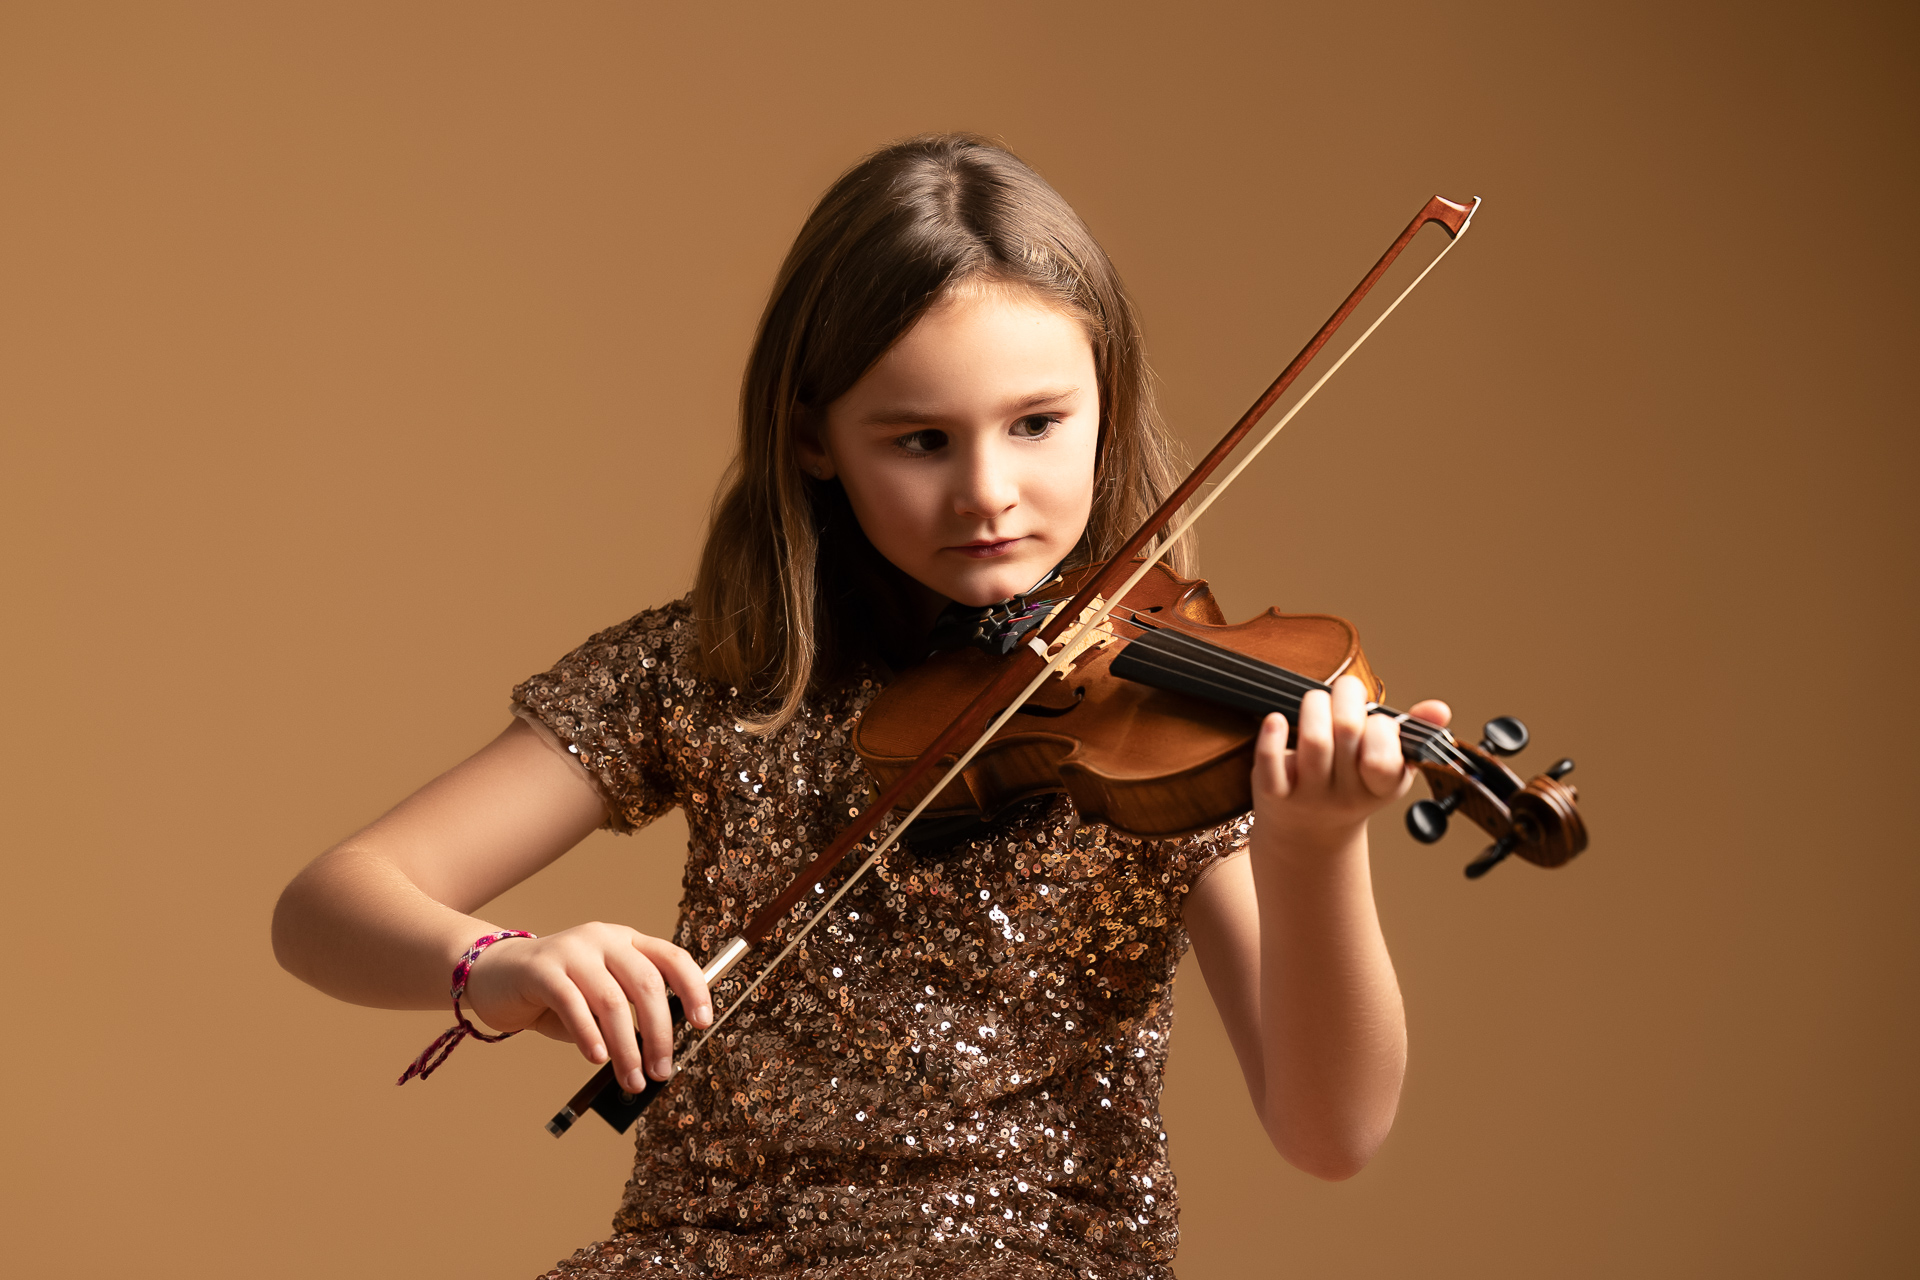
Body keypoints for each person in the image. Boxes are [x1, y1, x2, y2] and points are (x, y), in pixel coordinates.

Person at [272, 133, 1450, 1279]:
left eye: (1038, 424)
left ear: (1106, 402)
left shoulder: (1156, 717)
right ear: (813, 436)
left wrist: (1317, 845)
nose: (988, 491)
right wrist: (496, 961)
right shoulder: (721, 671)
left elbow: (1328, 1130)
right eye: (921, 440)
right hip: (699, 1253)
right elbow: (328, 904)